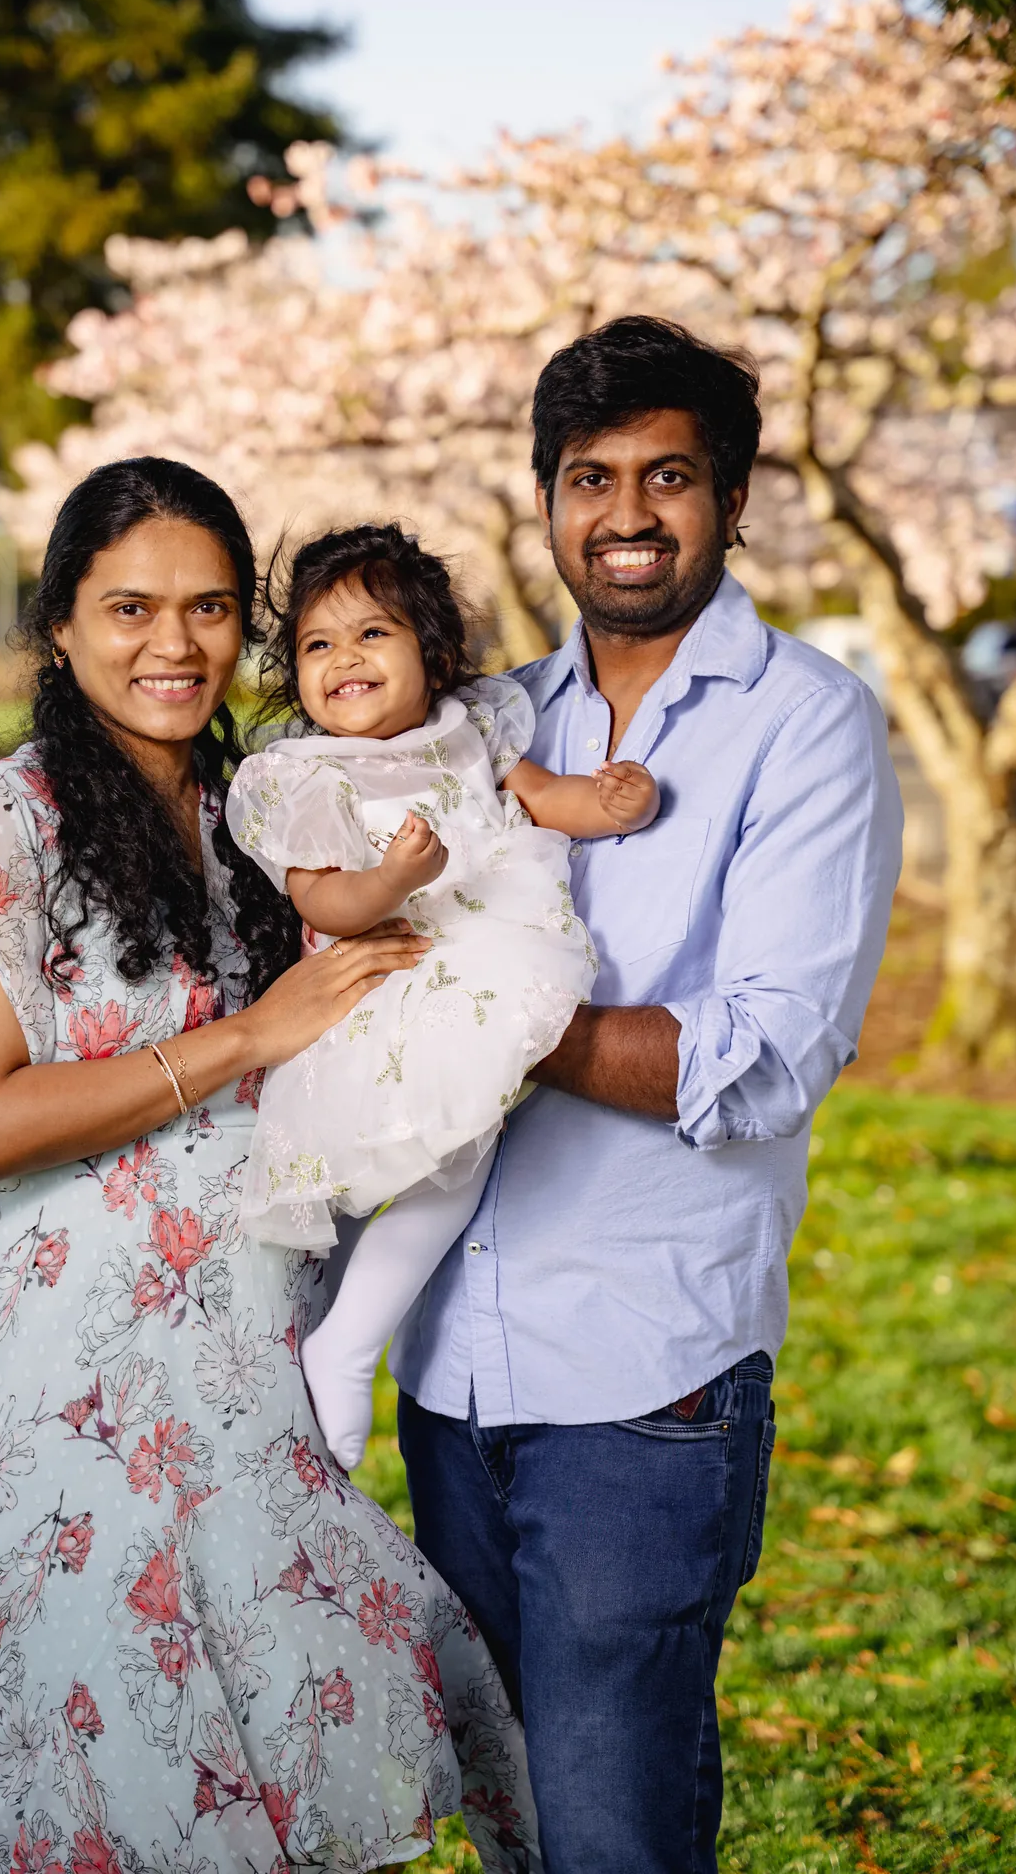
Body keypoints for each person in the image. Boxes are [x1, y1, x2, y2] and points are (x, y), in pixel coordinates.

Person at [0, 458, 542, 1874]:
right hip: (72, 1383)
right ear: (59, 625)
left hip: (253, 1359)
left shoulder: (265, 812)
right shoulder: (2, 817)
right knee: (131, 1781)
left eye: (210, 608)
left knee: (277, 1757)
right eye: (130, 608)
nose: (175, 644)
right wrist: (246, 1039)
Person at [390, 317, 904, 1874]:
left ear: (732, 500)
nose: (625, 513)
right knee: (512, 1825)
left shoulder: (805, 723)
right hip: (447, 1368)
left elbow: (764, 1059)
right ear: (547, 502)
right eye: (589, 478)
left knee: (613, 1836)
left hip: (644, 1381)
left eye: (667, 477)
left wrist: (483, 1005)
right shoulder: (486, 725)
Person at [227, 524, 656, 1471]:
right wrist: (389, 879)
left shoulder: (471, 730)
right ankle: (296, 1358)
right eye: (317, 644)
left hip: (481, 977)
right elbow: (324, 902)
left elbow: (546, 799)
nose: (344, 659)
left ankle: (350, 1346)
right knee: (343, 1191)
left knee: (448, 1170)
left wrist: (613, 803)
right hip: (381, 995)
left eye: (372, 634)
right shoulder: (305, 775)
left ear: (435, 651)